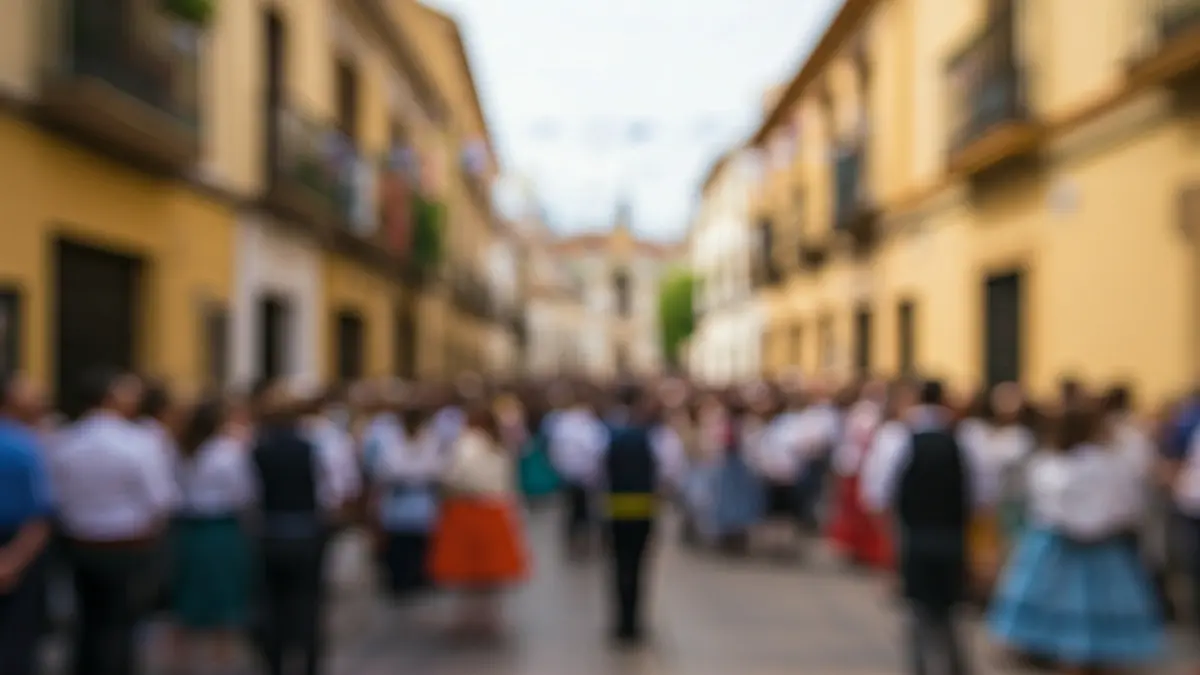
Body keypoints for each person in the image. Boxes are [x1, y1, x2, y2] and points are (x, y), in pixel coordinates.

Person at [990, 403, 1163, 671]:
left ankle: (1058, 652)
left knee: (1058, 606)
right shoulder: (1110, 464)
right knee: (1096, 608)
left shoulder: (1051, 464)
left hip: (1060, 544)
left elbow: (1046, 506)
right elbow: (1128, 506)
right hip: (1099, 545)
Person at [52, 368, 179, 675]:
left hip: (80, 543)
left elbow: (57, 496)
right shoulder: (139, 442)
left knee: (87, 623)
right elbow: (161, 499)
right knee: (120, 627)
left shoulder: (64, 441)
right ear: (111, 398)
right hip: (127, 546)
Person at [861, 379, 988, 675]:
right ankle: (956, 666)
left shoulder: (896, 437)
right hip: (954, 532)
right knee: (951, 609)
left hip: (914, 533)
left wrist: (890, 541)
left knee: (917, 610)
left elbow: (878, 496)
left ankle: (920, 667)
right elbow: (983, 496)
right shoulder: (966, 436)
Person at [250, 380, 340, 675]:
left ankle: (274, 660)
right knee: (308, 603)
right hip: (306, 531)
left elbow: (245, 493)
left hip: (271, 532)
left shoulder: (257, 449)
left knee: (272, 603)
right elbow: (333, 490)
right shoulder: (314, 448)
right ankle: (309, 660)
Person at [172, 396, 257, 671]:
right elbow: (243, 493)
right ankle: (222, 661)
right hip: (221, 528)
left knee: (188, 598)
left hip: (189, 530)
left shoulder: (185, 449)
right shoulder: (227, 452)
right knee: (225, 601)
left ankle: (181, 661)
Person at [595, 385, 684, 645]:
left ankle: (620, 623)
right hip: (645, 507)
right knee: (640, 567)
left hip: (615, 507)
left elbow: (594, 470)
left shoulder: (608, 433)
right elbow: (671, 471)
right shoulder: (658, 436)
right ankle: (635, 623)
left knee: (618, 566)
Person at [429, 404, 529, 634]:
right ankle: (491, 616)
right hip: (496, 508)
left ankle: (468, 617)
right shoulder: (500, 445)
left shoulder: (467, 442)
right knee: (491, 572)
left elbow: (453, 474)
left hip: (469, 508)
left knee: (468, 571)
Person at [0, 373, 54, 675]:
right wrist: (11, 562)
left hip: (15, 544)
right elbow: (40, 516)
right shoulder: (26, 446)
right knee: (17, 640)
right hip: (19, 549)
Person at [371, 405, 441, 597]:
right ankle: (400, 581)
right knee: (399, 546)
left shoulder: (429, 439)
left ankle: (418, 578)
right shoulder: (391, 440)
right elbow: (387, 468)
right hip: (399, 501)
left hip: (419, 502)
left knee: (419, 545)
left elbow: (434, 467)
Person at [547, 393, 607, 559]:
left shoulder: (561, 424)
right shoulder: (588, 425)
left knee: (573, 509)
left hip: (569, 474)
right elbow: (598, 448)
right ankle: (582, 540)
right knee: (583, 510)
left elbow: (554, 450)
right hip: (584, 475)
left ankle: (575, 540)